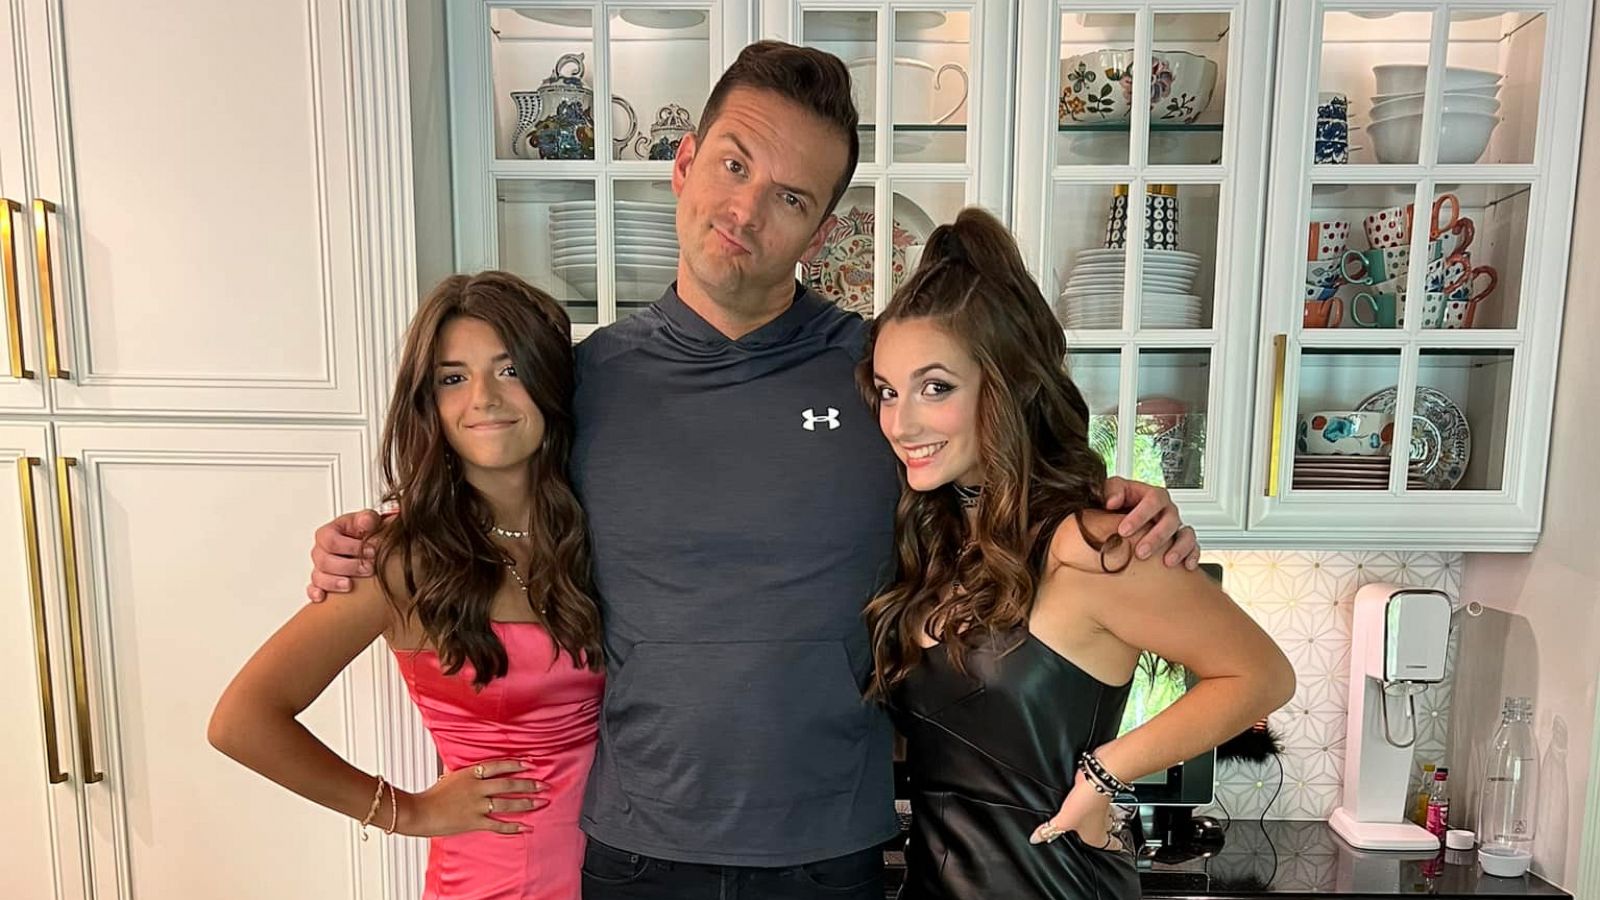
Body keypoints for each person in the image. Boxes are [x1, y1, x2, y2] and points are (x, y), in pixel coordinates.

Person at [306, 42, 1200, 900]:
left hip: (832, 854)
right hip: (631, 852)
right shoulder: (581, 385)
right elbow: (476, 500)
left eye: (789, 196)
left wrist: (1118, 504)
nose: (744, 210)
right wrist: (365, 545)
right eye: (733, 167)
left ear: (822, 226)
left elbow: (1002, 502)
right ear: (685, 162)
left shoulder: (880, 384)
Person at [861, 207, 1295, 899]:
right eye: (888, 391)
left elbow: (1262, 674)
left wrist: (1107, 774)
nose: (900, 421)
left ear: (1003, 388)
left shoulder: (1088, 548)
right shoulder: (932, 548)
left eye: (935, 387)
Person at [210, 272, 605, 900]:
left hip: (626, 866)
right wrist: (405, 811)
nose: (483, 398)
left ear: (549, 383)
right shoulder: (398, 559)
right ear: (430, 405)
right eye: (453, 377)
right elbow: (241, 721)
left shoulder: (600, 533)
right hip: (495, 879)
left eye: (508, 370)